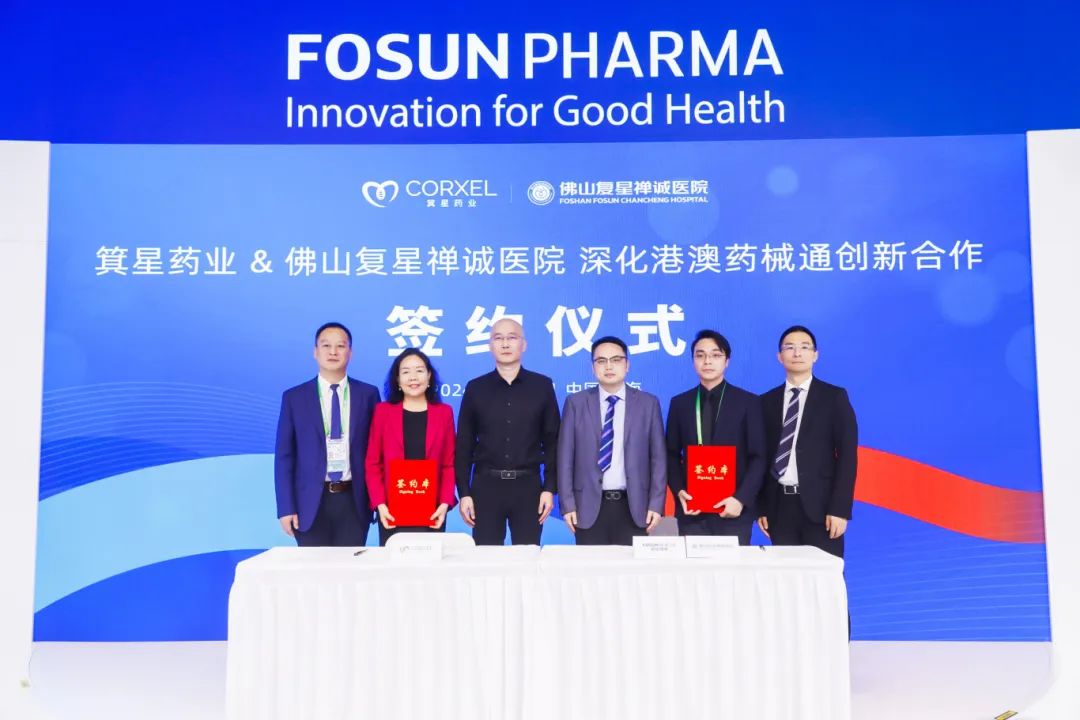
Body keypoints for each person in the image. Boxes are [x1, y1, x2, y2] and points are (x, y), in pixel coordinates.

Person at [274, 322, 380, 546]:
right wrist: (285, 507)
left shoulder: (368, 394)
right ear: (315, 352)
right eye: (326, 345)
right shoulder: (294, 397)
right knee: (313, 567)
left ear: (350, 353)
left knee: (351, 565)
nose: (333, 352)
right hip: (309, 503)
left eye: (340, 346)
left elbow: (377, 450)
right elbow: (285, 456)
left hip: (354, 501)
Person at [455, 317, 559, 545]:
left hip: (529, 487)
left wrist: (549, 488)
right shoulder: (475, 388)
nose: (505, 344)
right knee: (486, 557)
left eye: (512, 338)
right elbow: (464, 445)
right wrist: (464, 493)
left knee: (528, 555)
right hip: (486, 487)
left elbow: (553, 442)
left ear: (524, 344)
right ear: (490, 345)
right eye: (498, 338)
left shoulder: (542, 386)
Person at [757, 325, 858, 558]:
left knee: (825, 576)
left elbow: (847, 457)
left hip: (821, 509)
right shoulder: (765, 402)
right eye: (789, 347)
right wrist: (761, 507)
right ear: (779, 356)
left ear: (815, 355)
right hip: (779, 508)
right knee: (787, 576)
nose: (797, 353)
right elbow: (761, 457)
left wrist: (840, 509)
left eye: (804, 347)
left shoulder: (834, 397)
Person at [557, 336, 666, 545]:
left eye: (616, 360)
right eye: (601, 361)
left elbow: (658, 459)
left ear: (627, 365)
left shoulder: (648, 404)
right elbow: (565, 458)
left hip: (635, 507)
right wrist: (568, 504)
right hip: (587, 508)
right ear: (593, 368)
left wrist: (656, 504)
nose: (608, 366)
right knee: (591, 566)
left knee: (632, 567)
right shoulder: (576, 403)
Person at [665, 329, 767, 545]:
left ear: (727, 361)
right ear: (693, 361)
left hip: (733, 511)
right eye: (700, 355)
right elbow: (671, 454)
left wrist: (741, 499)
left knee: (732, 568)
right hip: (692, 511)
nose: (707, 361)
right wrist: (680, 491)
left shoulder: (748, 402)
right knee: (693, 567)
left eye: (715, 355)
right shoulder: (680, 403)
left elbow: (759, 457)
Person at [365, 349, 457, 546]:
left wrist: (444, 503)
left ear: (429, 376)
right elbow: (373, 463)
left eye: (419, 371)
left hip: (433, 511)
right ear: (397, 379)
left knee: (430, 563)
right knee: (394, 564)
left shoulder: (444, 413)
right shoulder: (383, 412)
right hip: (391, 511)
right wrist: (380, 504)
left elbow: (449, 464)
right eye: (406, 372)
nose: (413, 377)